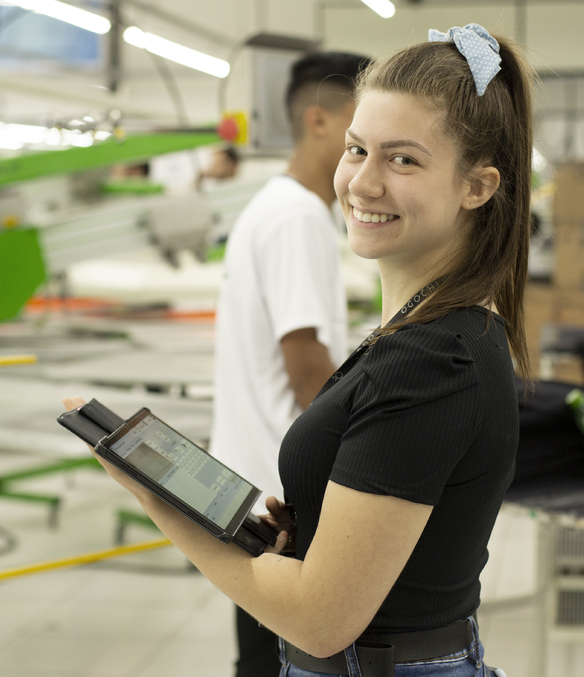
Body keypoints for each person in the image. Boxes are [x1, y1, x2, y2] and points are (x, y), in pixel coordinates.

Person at [65, 23, 531, 677]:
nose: (363, 183)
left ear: (476, 187)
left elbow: (321, 618)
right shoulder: (426, 331)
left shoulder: (431, 359)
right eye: (356, 149)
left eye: (403, 160)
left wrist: (159, 500)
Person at [208, 50, 370, 677]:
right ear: (319, 122)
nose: (370, 151)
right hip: (280, 496)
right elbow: (307, 368)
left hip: (253, 482)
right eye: (361, 131)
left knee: (260, 655)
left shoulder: (279, 207)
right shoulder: (298, 216)